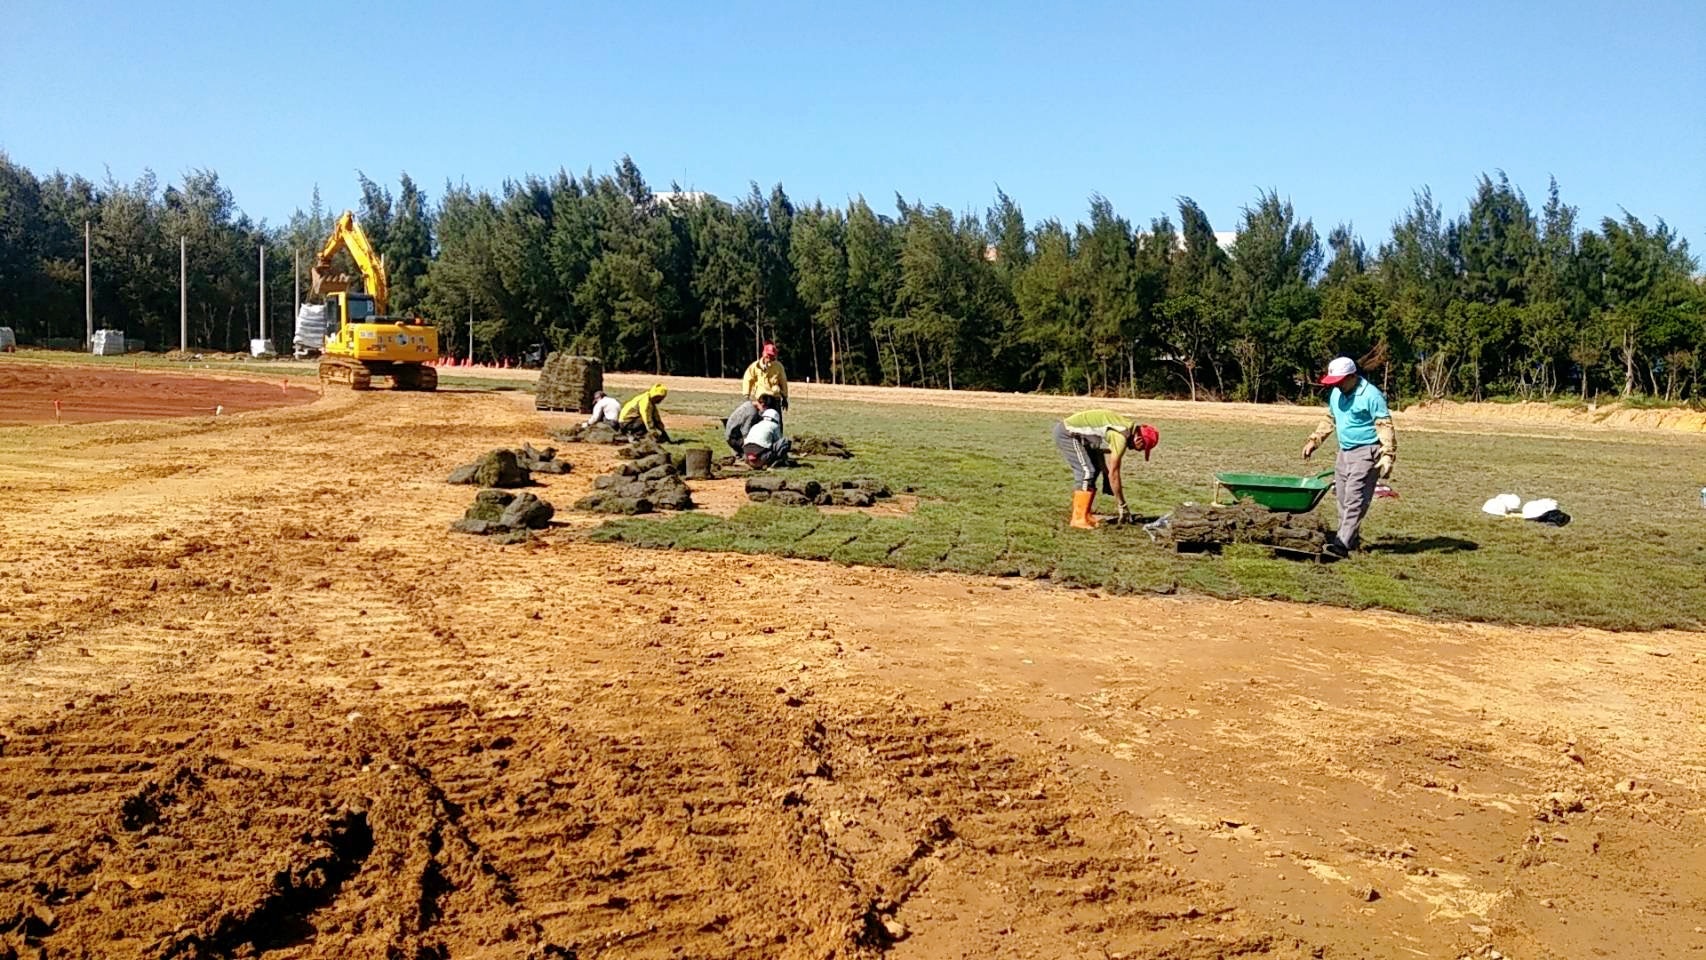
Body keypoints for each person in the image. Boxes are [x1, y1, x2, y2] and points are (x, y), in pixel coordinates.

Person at [1303, 356, 1396, 558]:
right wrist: (1314, 440)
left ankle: (1341, 545)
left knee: (1355, 498)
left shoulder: (1371, 395)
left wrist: (1388, 454)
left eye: (1339, 381)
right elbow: (1330, 419)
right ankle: (1351, 540)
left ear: (1353, 376)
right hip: (1344, 452)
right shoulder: (1337, 394)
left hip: (1367, 451)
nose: (1335, 386)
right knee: (1343, 499)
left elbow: (1384, 425)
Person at [1053, 411, 1159, 529]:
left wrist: (1104, 472)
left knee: (1094, 470)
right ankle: (1078, 519)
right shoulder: (1121, 437)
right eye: (1143, 448)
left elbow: (1098, 449)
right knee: (1086, 472)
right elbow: (1114, 473)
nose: (1139, 451)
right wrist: (1122, 504)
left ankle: (1085, 515)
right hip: (1067, 433)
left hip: (1080, 436)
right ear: (1139, 439)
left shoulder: (1124, 428)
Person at [741, 342, 789, 407]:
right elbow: (747, 379)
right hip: (761, 400)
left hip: (775, 399)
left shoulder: (778, 367)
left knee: (776, 416)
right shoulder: (755, 366)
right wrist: (746, 396)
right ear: (763, 354)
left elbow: (783, 382)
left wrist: (785, 398)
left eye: (772, 356)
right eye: (768, 355)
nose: (769, 357)